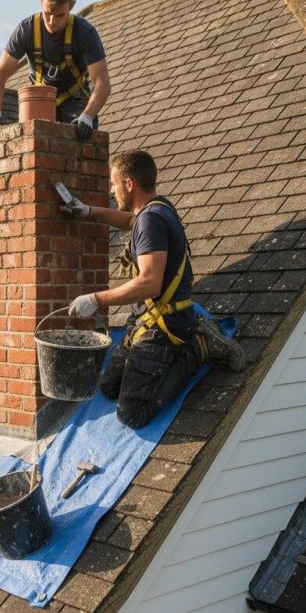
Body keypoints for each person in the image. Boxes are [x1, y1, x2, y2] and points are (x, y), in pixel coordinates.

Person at [62, 149, 245, 429]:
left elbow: (150, 282)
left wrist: (96, 299)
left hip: (165, 324)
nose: (113, 191)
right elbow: (128, 221)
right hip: (147, 317)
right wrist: (87, 211)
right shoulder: (155, 208)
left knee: (131, 413)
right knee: (109, 387)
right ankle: (189, 342)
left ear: (129, 184)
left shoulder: (151, 220)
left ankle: (199, 347)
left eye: (114, 184)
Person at [0, 0, 110, 140]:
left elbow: (102, 83)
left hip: (75, 104)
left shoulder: (85, 33)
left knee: (78, 142)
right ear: (41, 0)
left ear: (72, 5)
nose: (52, 21)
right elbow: (0, 73)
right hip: (40, 100)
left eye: (60, 15)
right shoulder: (26, 30)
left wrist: (87, 117)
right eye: (48, 13)